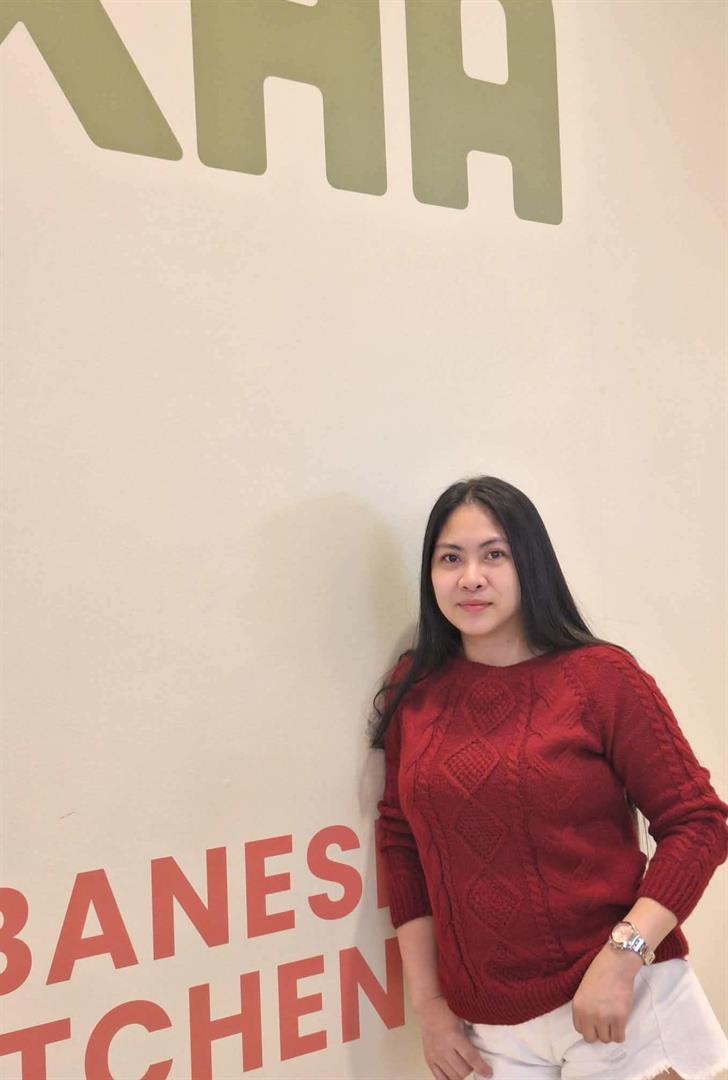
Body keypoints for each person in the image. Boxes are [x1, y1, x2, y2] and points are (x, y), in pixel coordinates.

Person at [370, 476, 728, 1080]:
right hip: (487, 1028)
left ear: (530, 563)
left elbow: (699, 824)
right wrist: (429, 1006)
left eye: (495, 555)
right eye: (450, 559)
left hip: (622, 1004)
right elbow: (401, 843)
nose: (471, 578)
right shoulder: (417, 688)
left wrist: (623, 957)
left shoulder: (601, 678)